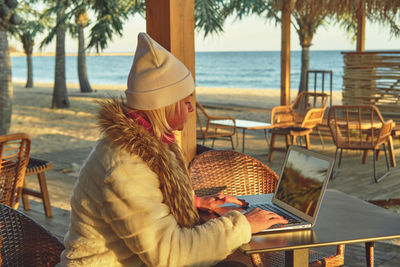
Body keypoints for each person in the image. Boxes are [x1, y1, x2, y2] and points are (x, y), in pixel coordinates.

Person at [61, 32, 287, 266]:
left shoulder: (150, 143)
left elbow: (145, 202)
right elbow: (169, 255)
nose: (191, 109)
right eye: (186, 102)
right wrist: (243, 225)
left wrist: (194, 203)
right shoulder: (125, 166)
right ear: (164, 107)